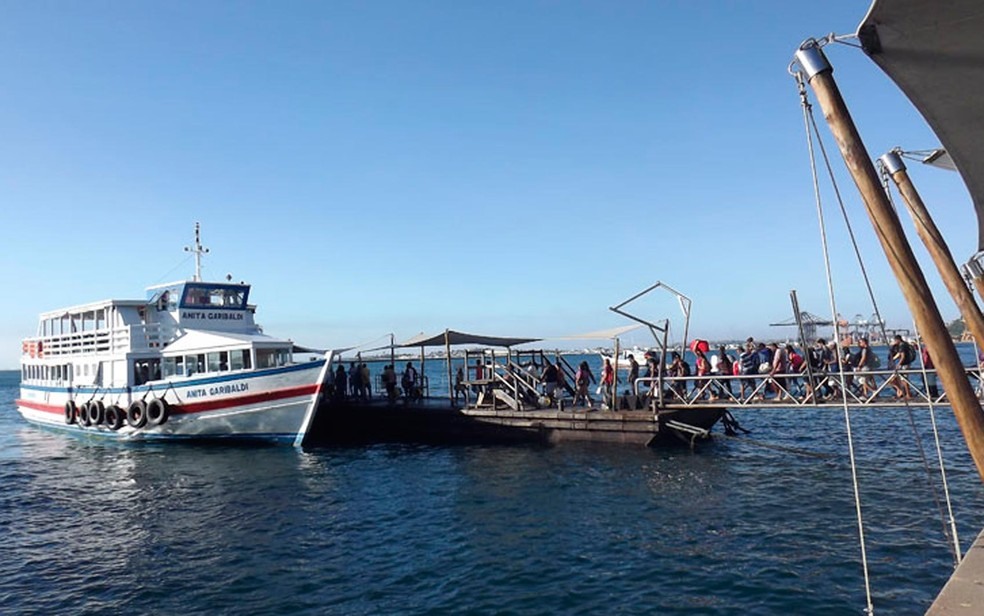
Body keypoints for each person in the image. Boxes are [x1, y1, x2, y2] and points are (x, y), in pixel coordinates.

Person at [889, 335, 914, 399]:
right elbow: (899, 354)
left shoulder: (902, 346)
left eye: (895, 340)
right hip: (905, 364)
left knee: (904, 379)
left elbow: (902, 356)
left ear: (898, 340)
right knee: (893, 379)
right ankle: (901, 391)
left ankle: (908, 394)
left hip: (904, 364)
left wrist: (898, 364)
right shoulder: (903, 345)